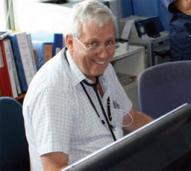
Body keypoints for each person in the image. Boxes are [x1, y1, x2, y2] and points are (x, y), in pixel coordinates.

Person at [22, 0, 153, 171]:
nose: (104, 54)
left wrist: (173, 135)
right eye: (93, 44)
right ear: (70, 42)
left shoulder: (103, 69)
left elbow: (131, 118)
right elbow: (54, 167)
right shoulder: (53, 90)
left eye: (109, 42)